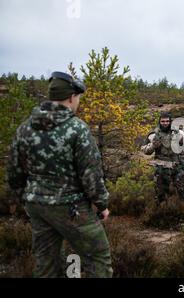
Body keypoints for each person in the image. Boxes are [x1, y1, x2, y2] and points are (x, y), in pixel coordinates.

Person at [6, 71, 112, 278]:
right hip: (70, 207)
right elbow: (90, 173)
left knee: (46, 263)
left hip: (36, 206)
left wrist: (24, 198)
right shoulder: (76, 129)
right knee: (98, 257)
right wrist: (102, 204)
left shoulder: (25, 128)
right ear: (72, 97)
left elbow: (14, 172)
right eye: (78, 98)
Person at [141, 112, 184, 204]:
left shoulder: (178, 133)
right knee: (161, 193)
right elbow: (145, 150)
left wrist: (182, 140)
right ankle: (162, 211)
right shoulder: (153, 135)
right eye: (163, 121)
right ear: (159, 122)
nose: (165, 123)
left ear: (170, 122)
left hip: (176, 166)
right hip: (161, 167)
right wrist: (153, 146)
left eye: (167, 121)